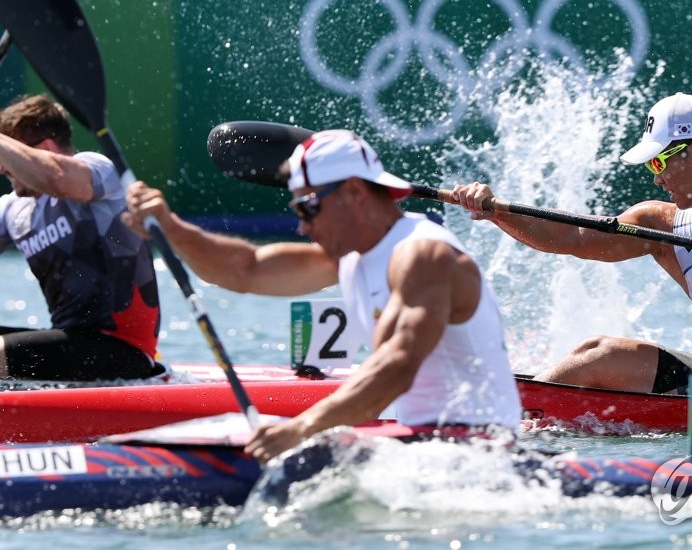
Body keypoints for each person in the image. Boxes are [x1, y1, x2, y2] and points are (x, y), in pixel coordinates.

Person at [122, 129, 521, 462]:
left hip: (477, 455)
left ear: (354, 192)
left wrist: (301, 428)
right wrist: (173, 229)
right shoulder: (350, 257)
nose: (301, 226)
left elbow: (396, 367)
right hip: (425, 449)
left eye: (307, 208)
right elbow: (246, 270)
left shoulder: (423, 255)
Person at [451, 92, 692, 400]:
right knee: (600, 353)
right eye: (650, 166)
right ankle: (516, 418)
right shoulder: (660, 224)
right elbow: (572, 238)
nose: (656, 178)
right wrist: (496, 211)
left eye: (661, 162)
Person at [0, 94, 161, 381]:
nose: (2, 168)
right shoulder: (13, 209)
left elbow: (57, 179)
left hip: (123, 351)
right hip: (68, 345)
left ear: (46, 148)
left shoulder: (98, 170)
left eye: (7, 155)